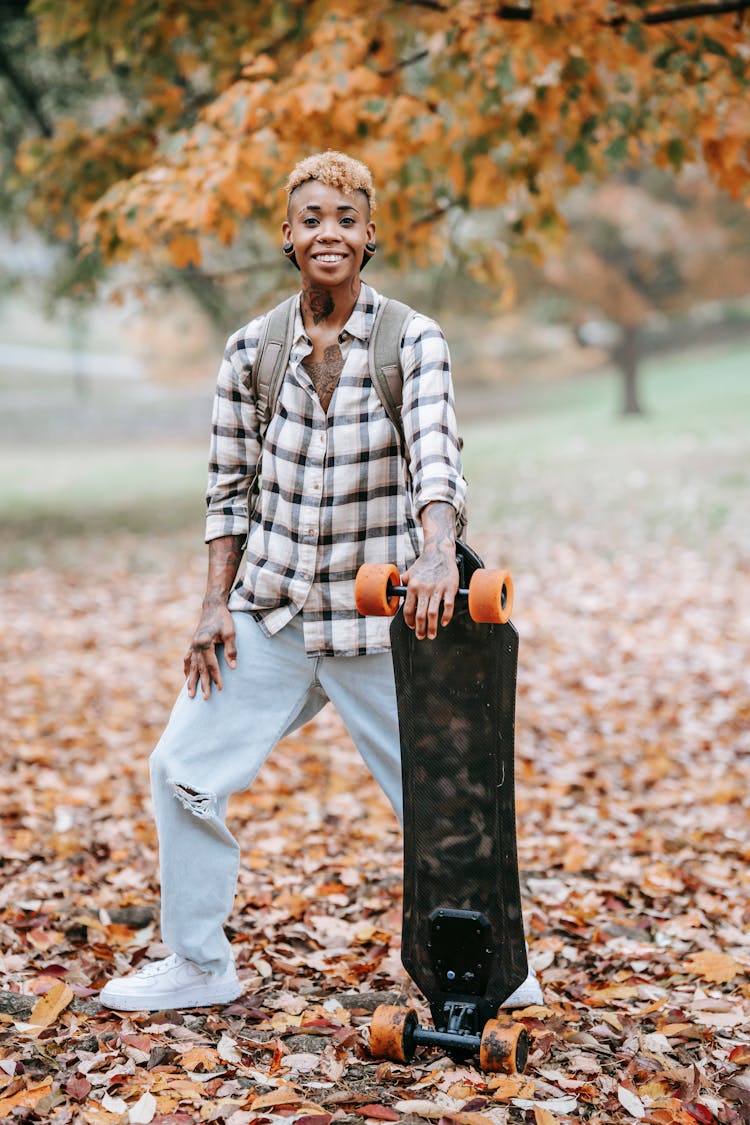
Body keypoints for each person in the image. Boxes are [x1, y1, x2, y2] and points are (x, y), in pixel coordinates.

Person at [99, 151, 542, 1012]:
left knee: (444, 799)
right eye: (311, 217)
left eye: (345, 216)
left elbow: (435, 457)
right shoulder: (249, 351)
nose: (328, 231)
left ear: (370, 235)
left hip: (385, 624)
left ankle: (499, 968)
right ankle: (197, 963)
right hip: (273, 611)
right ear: (288, 236)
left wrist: (438, 552)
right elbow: (227, 491)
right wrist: (212, 606)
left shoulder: (412, 339)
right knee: (179, 767)